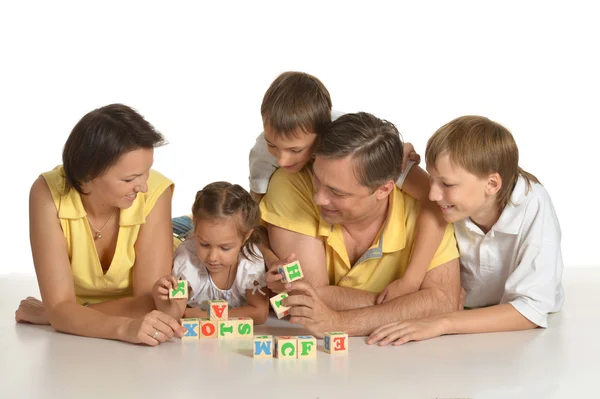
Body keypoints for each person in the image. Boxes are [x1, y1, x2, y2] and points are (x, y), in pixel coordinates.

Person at [260, 112, 462, 337]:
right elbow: (306, 295)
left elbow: (444, 301)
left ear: (384, 189)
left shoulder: (428, 208)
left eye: (337, 192)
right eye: (317, 178)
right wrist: (411, 305)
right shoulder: (292, 185)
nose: (319, 198)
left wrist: (339, 322)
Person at [367, 116, 564, 345]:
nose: (432, 195)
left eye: (447, 184)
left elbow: (530, 310)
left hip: (510, 337)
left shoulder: (533, 204)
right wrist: (393, 154)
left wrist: (442, 323)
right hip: (459, 308)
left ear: (492, 184)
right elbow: (384, 167)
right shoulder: (454, 200)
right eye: (431, 179)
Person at [250, 71, 446, 299]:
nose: (282, 161)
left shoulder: (359, 149)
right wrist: (270, 259)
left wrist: (411, 281)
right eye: (273, 145)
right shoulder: (263, 155)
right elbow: (250, 223)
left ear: (321, 136)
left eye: (296, 150)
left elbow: (436, 201)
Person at [15, 104, 185, 346]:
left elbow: (151, 304)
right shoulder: (47, 194)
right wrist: (124, 326)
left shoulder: (155, 192)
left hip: (186, 240)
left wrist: (59, 314)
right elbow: (62, 310)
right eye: (129, 179)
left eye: (147, 172)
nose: (143, 187)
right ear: (88, 174)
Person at [152, 182, 269, 324]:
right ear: (195, 227)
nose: (212, 257)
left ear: (246, 237)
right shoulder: (187, 259)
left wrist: (208, 314)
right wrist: (162, 300)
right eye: (204, 244)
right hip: (180, 235)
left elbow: (259, 313)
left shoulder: (250, 262)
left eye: (225, 248)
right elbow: (176, 313)